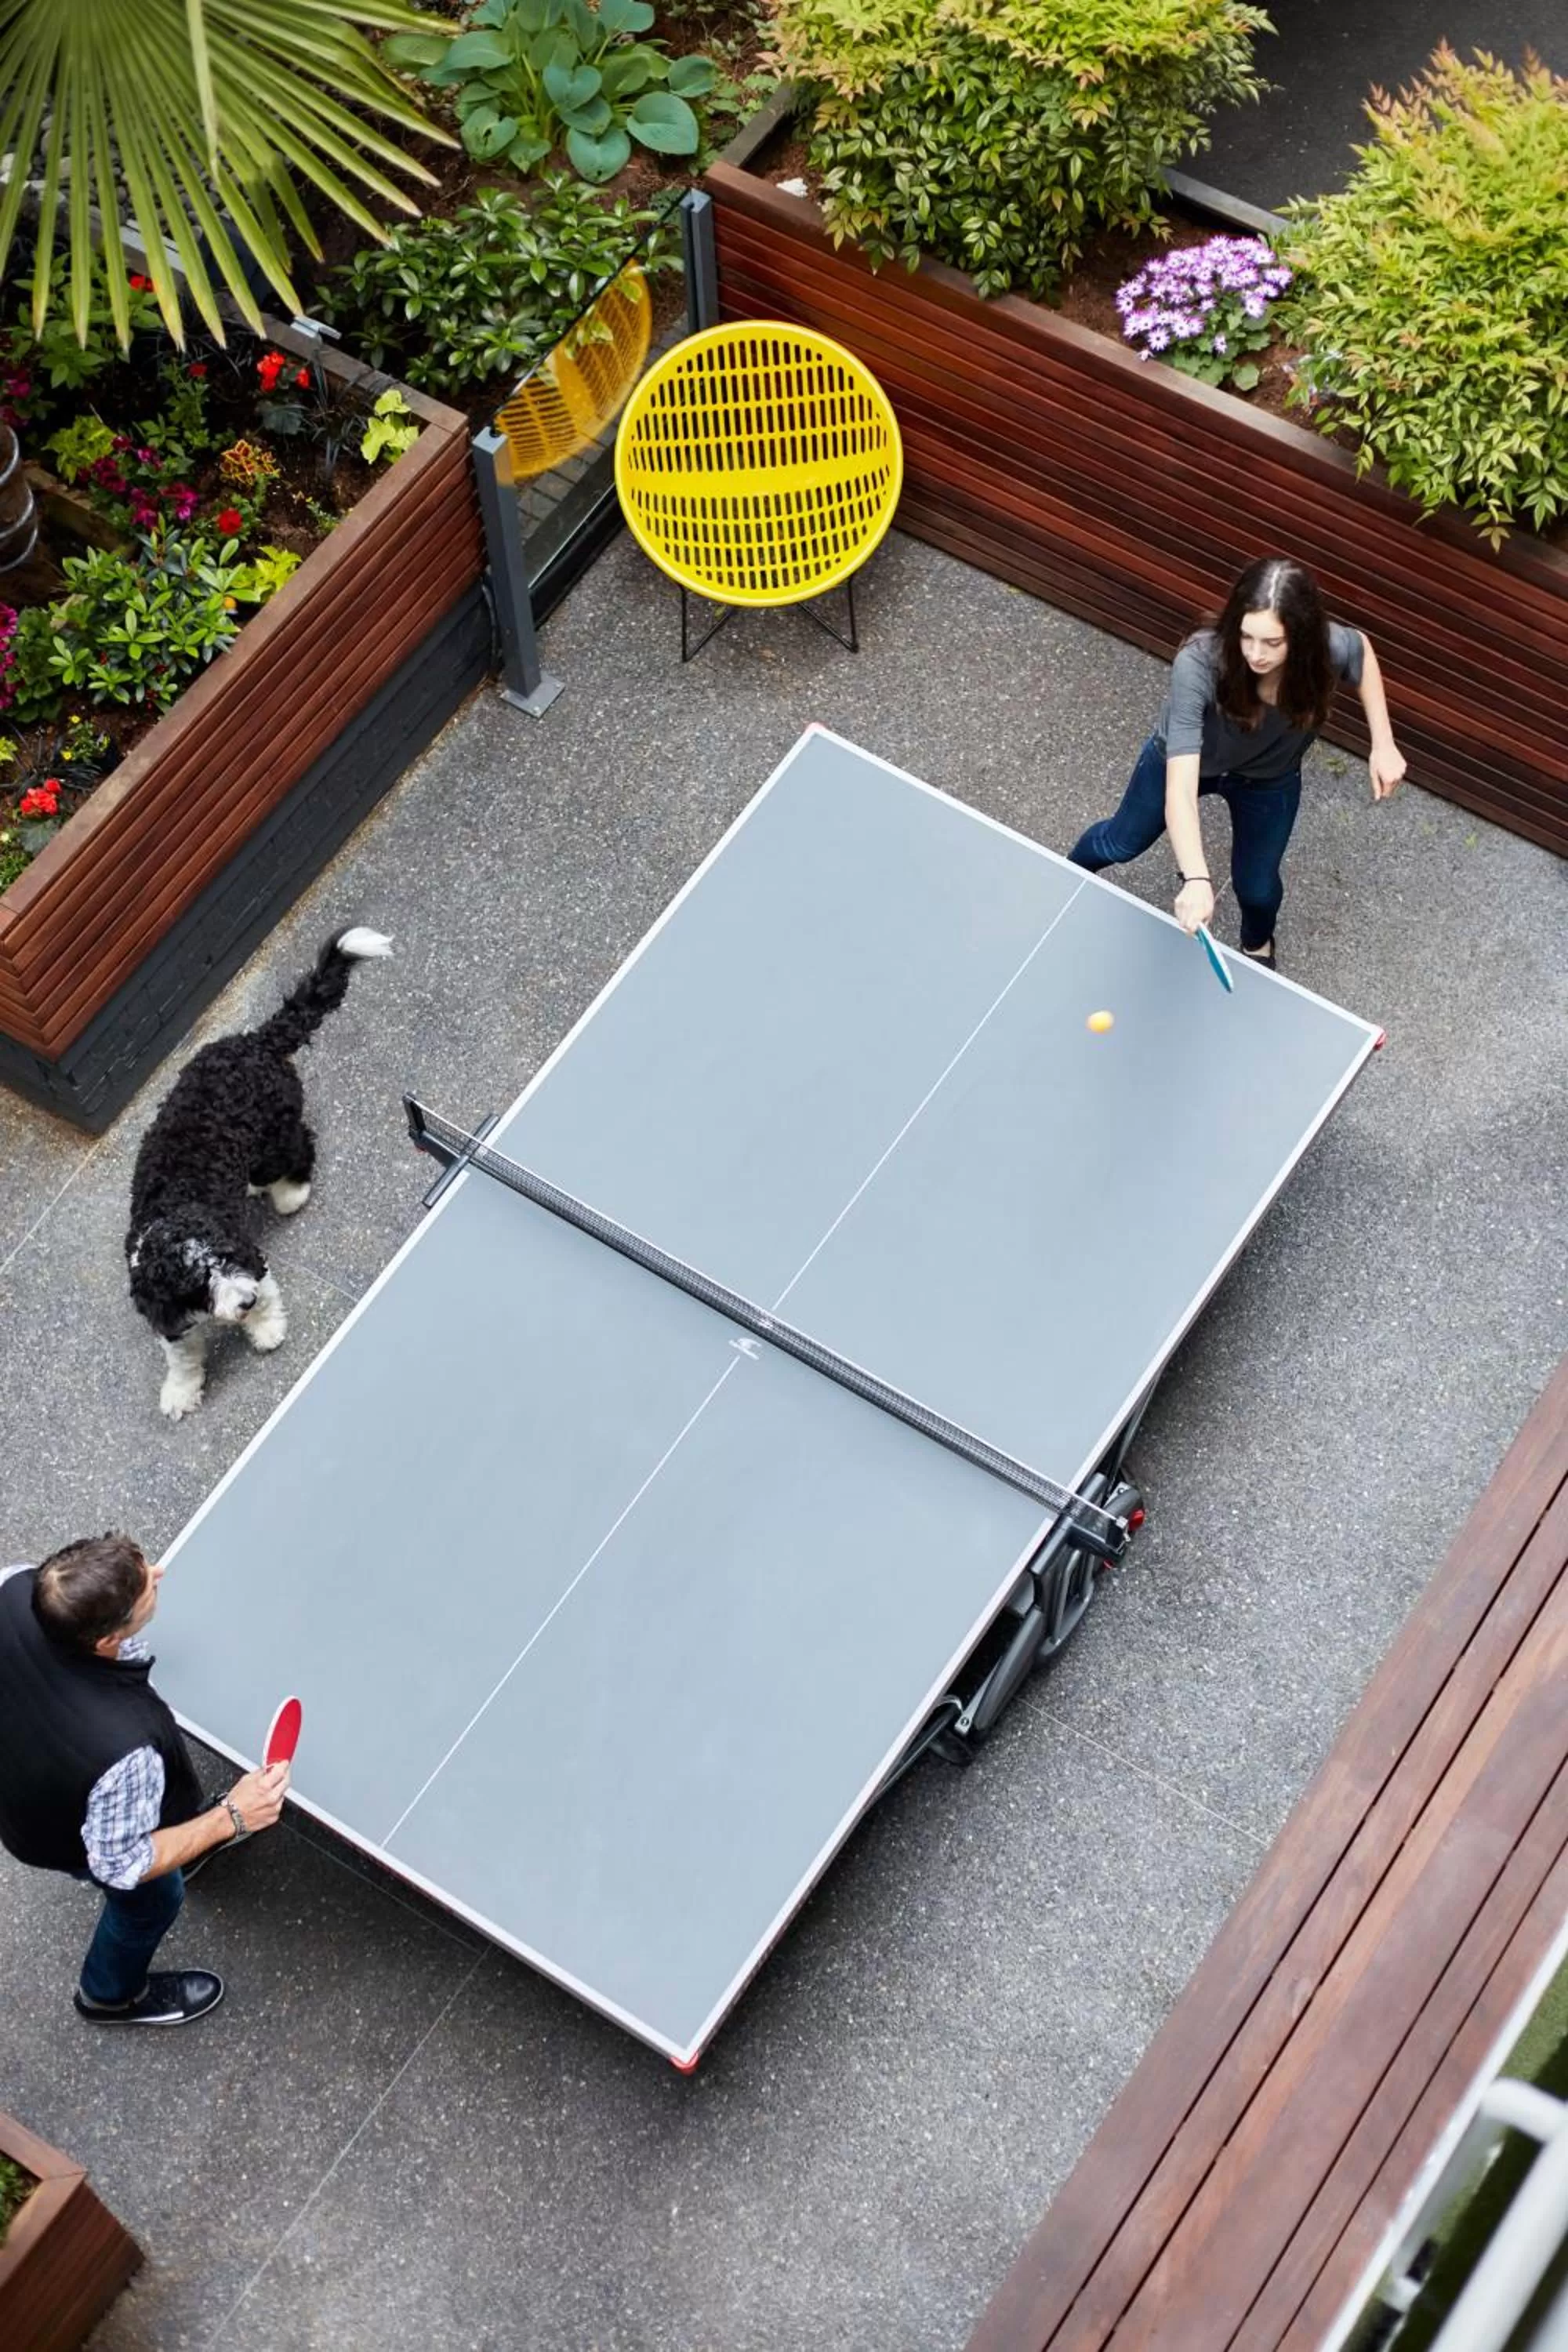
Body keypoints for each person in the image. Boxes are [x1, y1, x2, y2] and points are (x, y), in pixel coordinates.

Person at [0, 1534, 289, 2027]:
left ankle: (186, 1852)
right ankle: (110, 1996)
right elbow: (121, 1864)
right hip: (54, 1827)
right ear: (106, 1641)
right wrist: (232, 1816)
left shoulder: (13, 1584)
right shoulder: (125, 1753)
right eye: (146, 1587)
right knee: (154, 1898)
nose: (159, 1574)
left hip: (26, 1770)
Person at [1068, 555, 1407, 967]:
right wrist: (1196, 877)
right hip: (1192, 763)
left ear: (1301, 636)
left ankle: (1257, 947)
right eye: (1246, 637)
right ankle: (1064, 879)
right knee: (1120, 843)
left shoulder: (1326, 650)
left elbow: (1361, 650)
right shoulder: (1198, 663)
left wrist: (1384, 742)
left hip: (1268, 777)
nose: (1256, 654)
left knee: (1258, 888)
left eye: (1272, 643)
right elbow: (1180, 789)